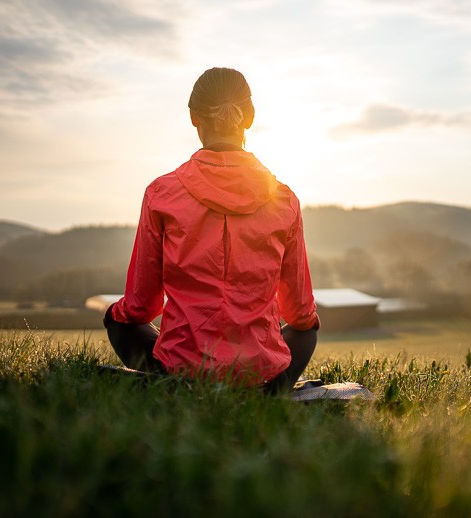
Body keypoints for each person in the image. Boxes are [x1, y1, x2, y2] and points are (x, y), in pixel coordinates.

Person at [104, 67, 320, 393]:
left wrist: (115, 313)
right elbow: (300, 314)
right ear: (249, 117)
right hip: (261, 372)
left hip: (182, 368)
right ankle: (265, 393)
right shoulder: (284, 199)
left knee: (120, 323)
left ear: (194, 117)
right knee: (308, 331)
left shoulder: (161, 193)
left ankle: (179, 385)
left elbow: (141, 307)